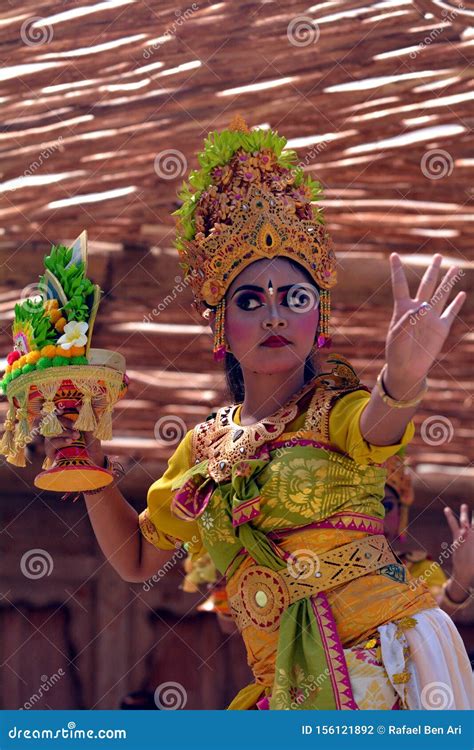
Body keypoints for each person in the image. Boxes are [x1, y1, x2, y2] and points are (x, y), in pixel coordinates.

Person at [44, 116, 472, 710]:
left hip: (385, 671)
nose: (274, 316)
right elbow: (140, 556)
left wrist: (403, 374)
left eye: (293, 299)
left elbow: (381, 425)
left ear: (316, 318)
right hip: (285, 693)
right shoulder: (203, 451)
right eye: (251, 300)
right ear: (222, 324)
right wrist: (90, 475)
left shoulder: (338, 407)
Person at [382, 453, 474, 624]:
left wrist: (462, 575)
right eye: (367, 508)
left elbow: (435, 615)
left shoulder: (417, 568)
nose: (378, 516)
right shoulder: (324, 560)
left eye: (386, 506)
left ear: (401, 512)